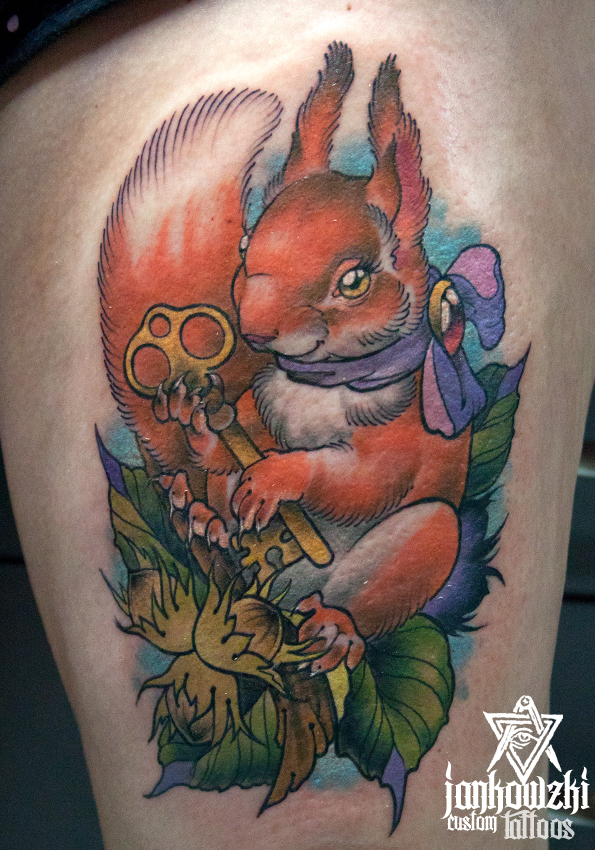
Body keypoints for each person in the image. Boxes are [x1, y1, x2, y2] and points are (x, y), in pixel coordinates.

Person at [0, 2, 594, 847]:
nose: (261, 322)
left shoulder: (396, 378)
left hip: (370, 545)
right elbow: (256, 421)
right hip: (269, 554)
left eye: (344, 284)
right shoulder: (282, 360)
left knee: (428, 538)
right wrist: (214, 448)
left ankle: (348, 623)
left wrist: (301, 473)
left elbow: (382, 481)